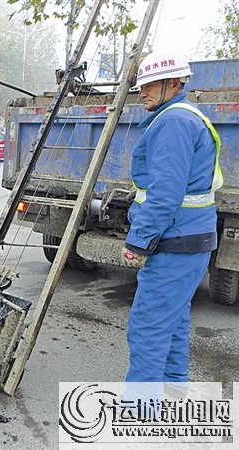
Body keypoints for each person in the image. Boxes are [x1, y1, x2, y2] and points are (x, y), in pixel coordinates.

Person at [121, 52, 223, 401]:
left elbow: (164, 194)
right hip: (191, 238)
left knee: (148, 327)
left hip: (176, 240)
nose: (143, 93)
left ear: (175, 83)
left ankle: (141, 408)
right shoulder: (185, 117)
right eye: (141, 86)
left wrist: (137, 241)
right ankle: (173, 391)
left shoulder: (173, 122)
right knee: (174, 322)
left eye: (150, 85)